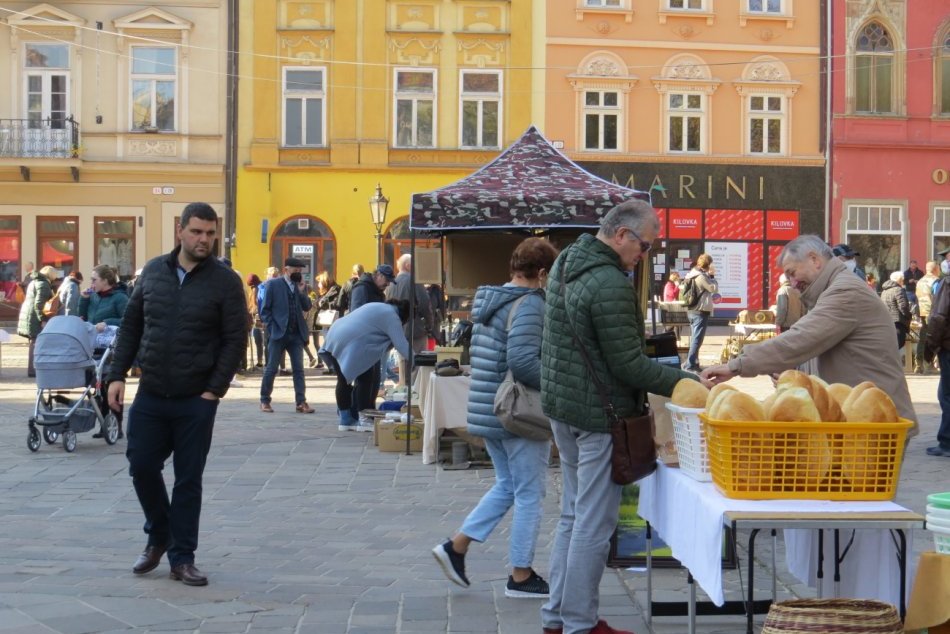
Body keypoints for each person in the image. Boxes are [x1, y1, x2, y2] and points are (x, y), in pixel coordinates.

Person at [539, 200, 706, 634]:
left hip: (565, 407)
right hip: (598, 416)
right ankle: (578, 623)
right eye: (644, 245)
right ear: (621, 235)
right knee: (593, 526)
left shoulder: (564, 265)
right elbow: (628, 366)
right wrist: (687, 382)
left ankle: (557, 617)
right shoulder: (610, 283)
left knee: (573, 517)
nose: (645, 254)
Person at [106, 202, 246, 587]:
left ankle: (182, 557)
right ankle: (159, 533)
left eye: (210, 233)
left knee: (188, 479)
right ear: (180, 231)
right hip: (151, 392)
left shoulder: (225, 281)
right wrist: (116, 374)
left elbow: (236, 339)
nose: (204, 239)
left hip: (195, 398)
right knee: (141, 465)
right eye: (197, 231)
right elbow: (132, 325)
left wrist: (212, 390)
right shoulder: (153, 271)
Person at [432, 237, 558, 599]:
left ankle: (456, 548)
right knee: (530, 493)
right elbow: (522, 360)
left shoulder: (492, 299)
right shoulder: (530, 303)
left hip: (491, 407)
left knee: (507, 486)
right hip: (518, 411)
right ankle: (520, 576)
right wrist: (555, 383)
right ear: (543, 272)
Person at [701, 235, 918, 437]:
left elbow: (800, 339)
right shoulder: (831, 290)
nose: (792, 283)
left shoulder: (845, 292)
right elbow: (816, 348)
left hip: (877, 419)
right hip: (859, 418)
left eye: (792, 273)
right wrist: (794, 375)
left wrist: (737, 365)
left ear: (814, 260)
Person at [320, 299, 411, 431]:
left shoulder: (378, 306)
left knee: (343, 380)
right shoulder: (392, 315)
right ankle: (364, 419)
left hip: (334, 335)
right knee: (365, 380)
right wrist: (418, 360)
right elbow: (402, 344)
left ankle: (345, 420)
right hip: (355, 343)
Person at [258, 257, 315, 414]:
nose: (298, 273)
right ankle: (264, 400)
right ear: (286, 270)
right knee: (271, 368)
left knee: (299, 369)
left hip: (296, 334)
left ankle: (301, 402)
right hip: (278, 333)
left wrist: (302, 290)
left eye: (300, 271)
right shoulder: (273, 284)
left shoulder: (299, 287)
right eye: (295, 271)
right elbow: (265, 310)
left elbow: (307, 306)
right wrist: (272, 327)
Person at [17, 265, 57, 378]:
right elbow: (39, 303)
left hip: (30, 314)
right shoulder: (43, 284)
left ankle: (33, 370)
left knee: (34, 342)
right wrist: (43, 319)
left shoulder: (34, 282)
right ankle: (34, 370)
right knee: (35, 343)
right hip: (34, 317)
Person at [926, 276, 950, 457]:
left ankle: (947, 441)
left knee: (947, 395)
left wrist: (931, 344)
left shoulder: (947, 282)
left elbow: (939, 317)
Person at [682, 254, 718, 372]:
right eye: (711, 263)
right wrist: (712, 276)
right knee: (697, 339)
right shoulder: (701, 276)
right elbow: (713, 289)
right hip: (700, 310)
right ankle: (689, 365)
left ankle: (694, 363)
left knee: (695, 338)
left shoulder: (693, 273)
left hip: (694, 310)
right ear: (708, 264)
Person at [79, 265, 130, 332]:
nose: (91, 283)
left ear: (105, 281)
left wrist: (107, 323)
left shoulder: (120, 297)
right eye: (91, 279)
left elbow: (129, 321)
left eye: (94, 280)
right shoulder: (93, 295)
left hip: (111, 341)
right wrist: (84, 299)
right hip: (92, 339)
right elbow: (83, 317)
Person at [916, 261, 939, 374]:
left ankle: (919, 364)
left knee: (922, 339)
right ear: (935, 269)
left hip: (922, 312)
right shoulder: (936, 281)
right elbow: (939, 297)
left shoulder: (920, 281)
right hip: (933, 313)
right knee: (934, 339)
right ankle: (929, 364)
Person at [880, 271, 911, 349]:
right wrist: (909, 316)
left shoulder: (884, 291)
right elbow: (903, 307)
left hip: (887, 321)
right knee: (898, 344)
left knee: (890, 346)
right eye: (902, 280)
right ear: (900, 280)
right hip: (898, 322)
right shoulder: (898, 290)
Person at [246, 273, 264, 368]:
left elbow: (253, 306)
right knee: (262, 341)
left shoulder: (255, 290)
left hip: (257, 318)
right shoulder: (262, 287)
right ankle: (264, 361)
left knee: (259, 341)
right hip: (260, 318)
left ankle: (261, 361)